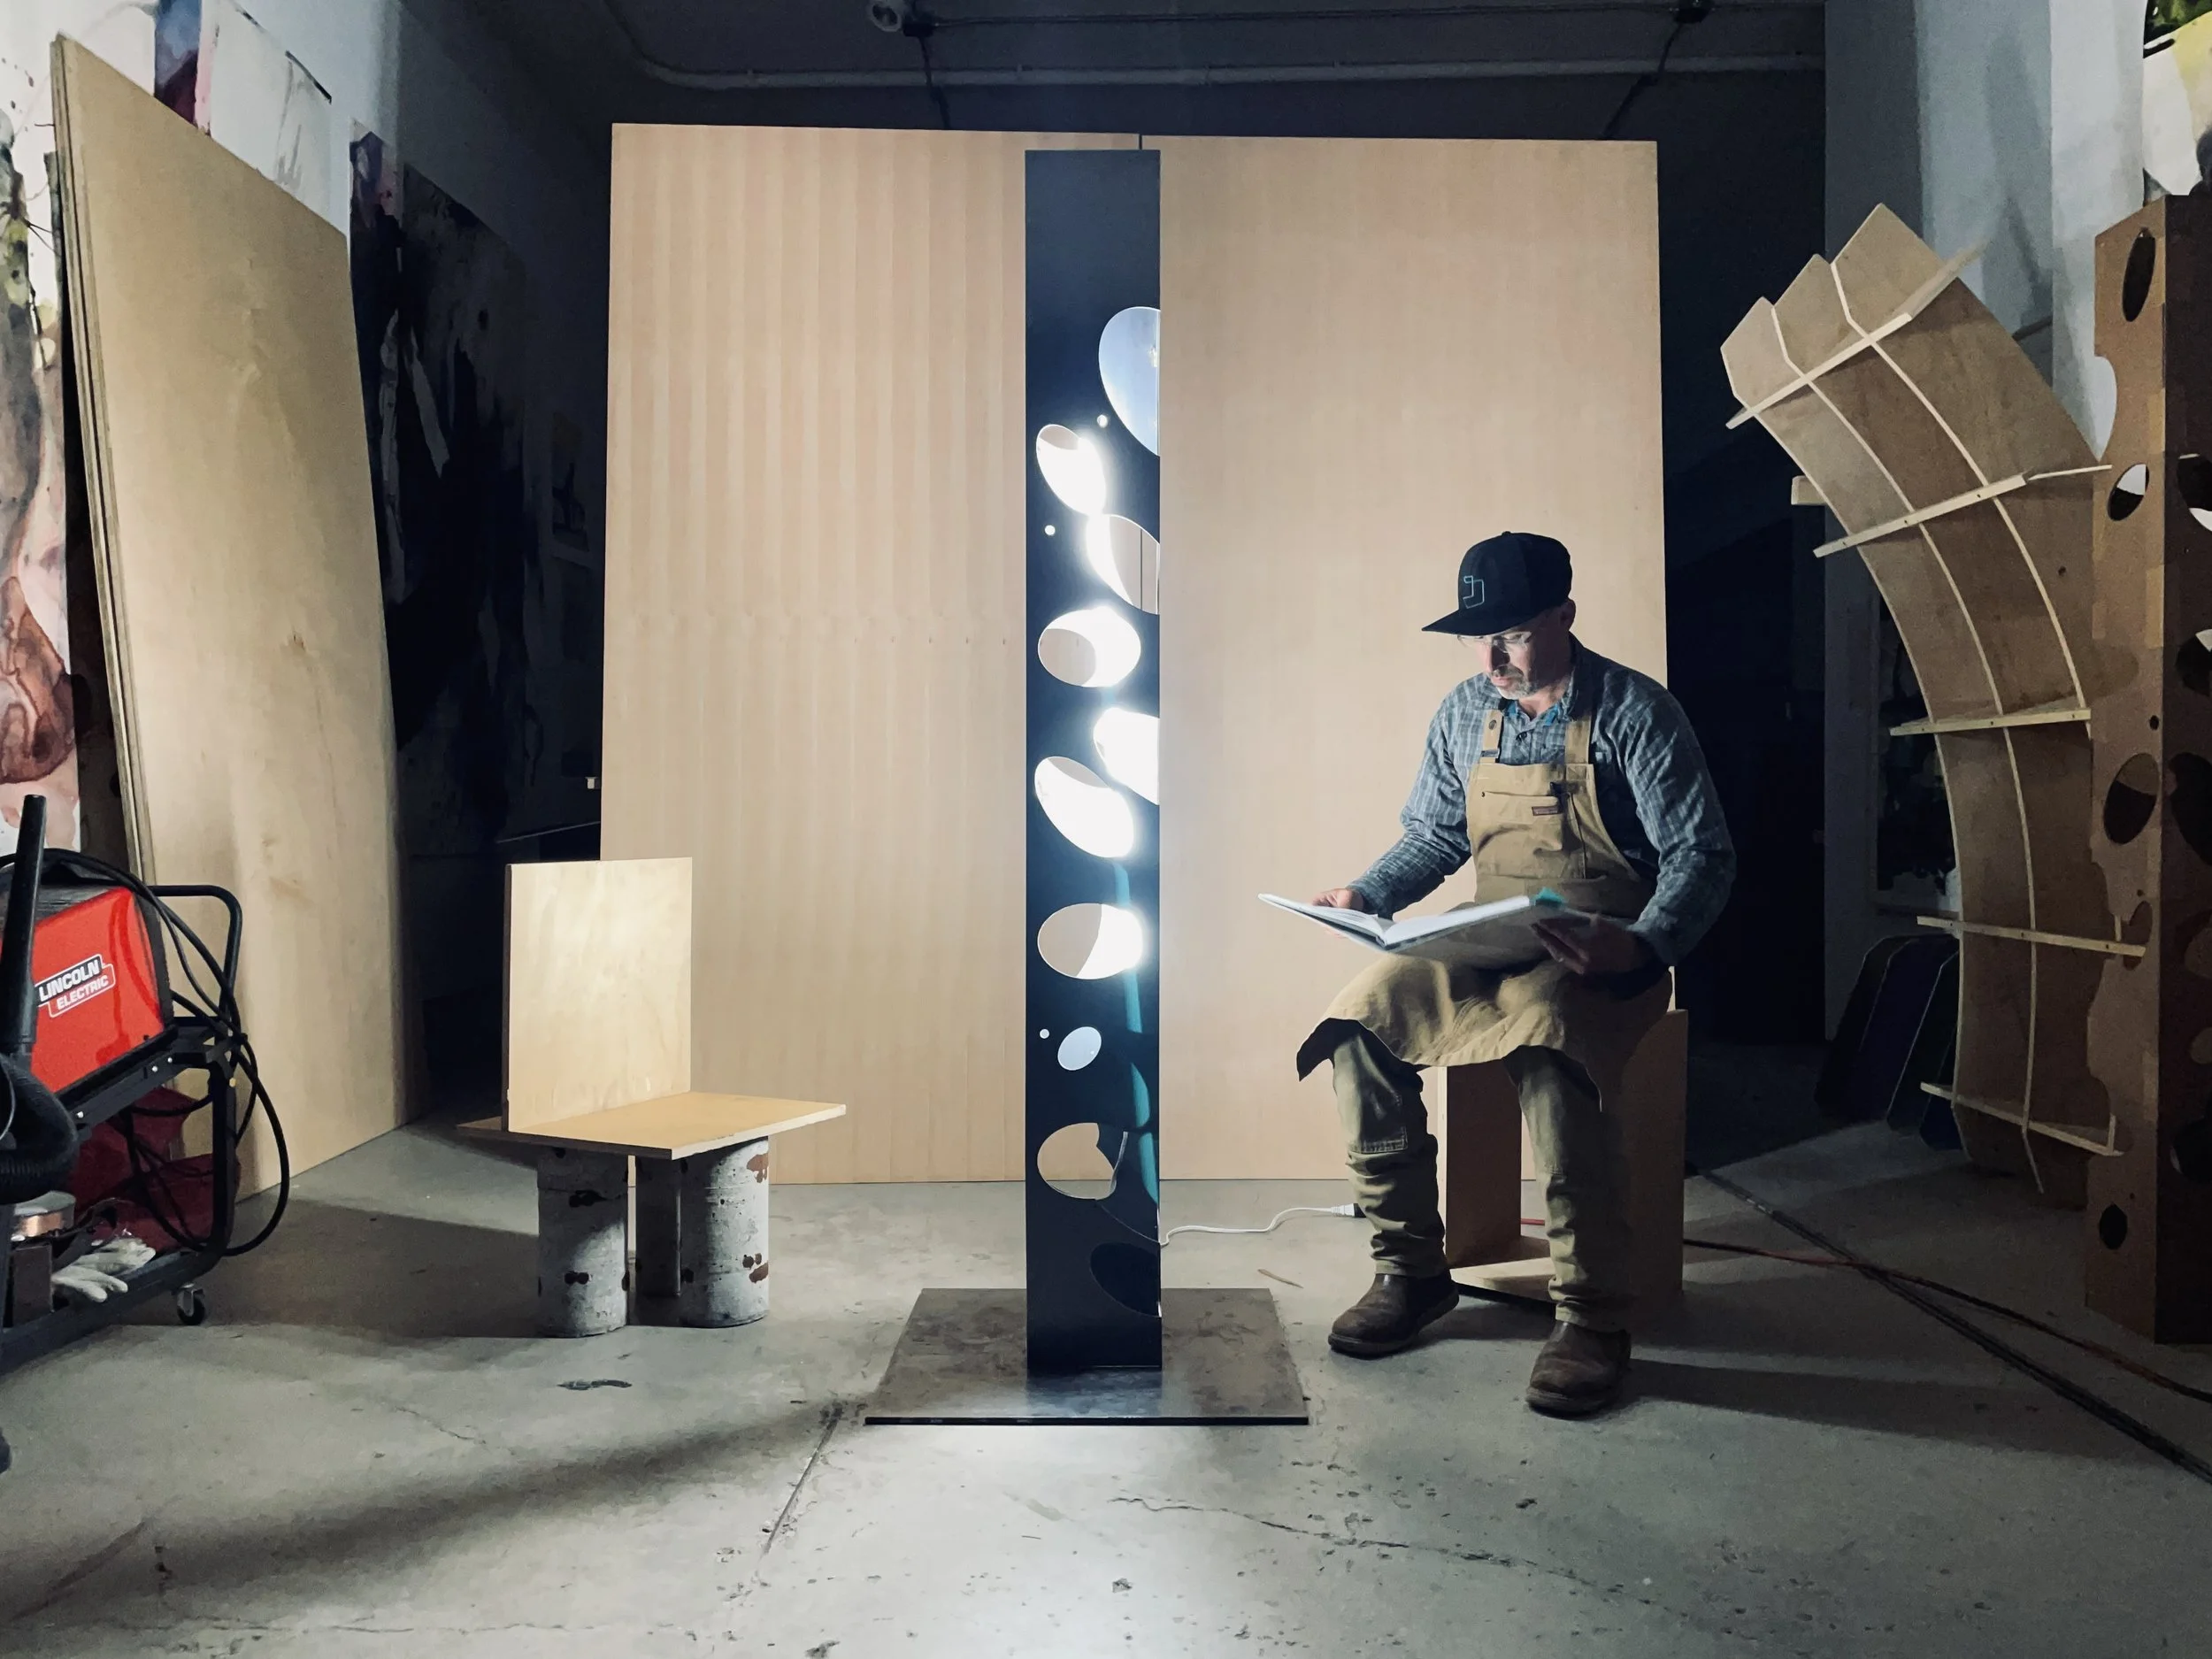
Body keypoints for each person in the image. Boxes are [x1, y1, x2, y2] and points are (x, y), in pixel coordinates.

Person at [1296, 531, 1732, 1417]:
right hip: (1487, 941)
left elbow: (1701, 855)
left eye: (1514, 633)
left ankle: (1591, 1317)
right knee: (1355, 1024)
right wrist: (1366, 893)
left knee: (1550, 1051)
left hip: (1601, 951)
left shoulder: (1635, 714)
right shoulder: (1463, 712)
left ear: (1564, 617)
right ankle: (1409, 1270)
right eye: (1478, 636)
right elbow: (1435, 836)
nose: (1493, 655)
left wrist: (1643, 944)